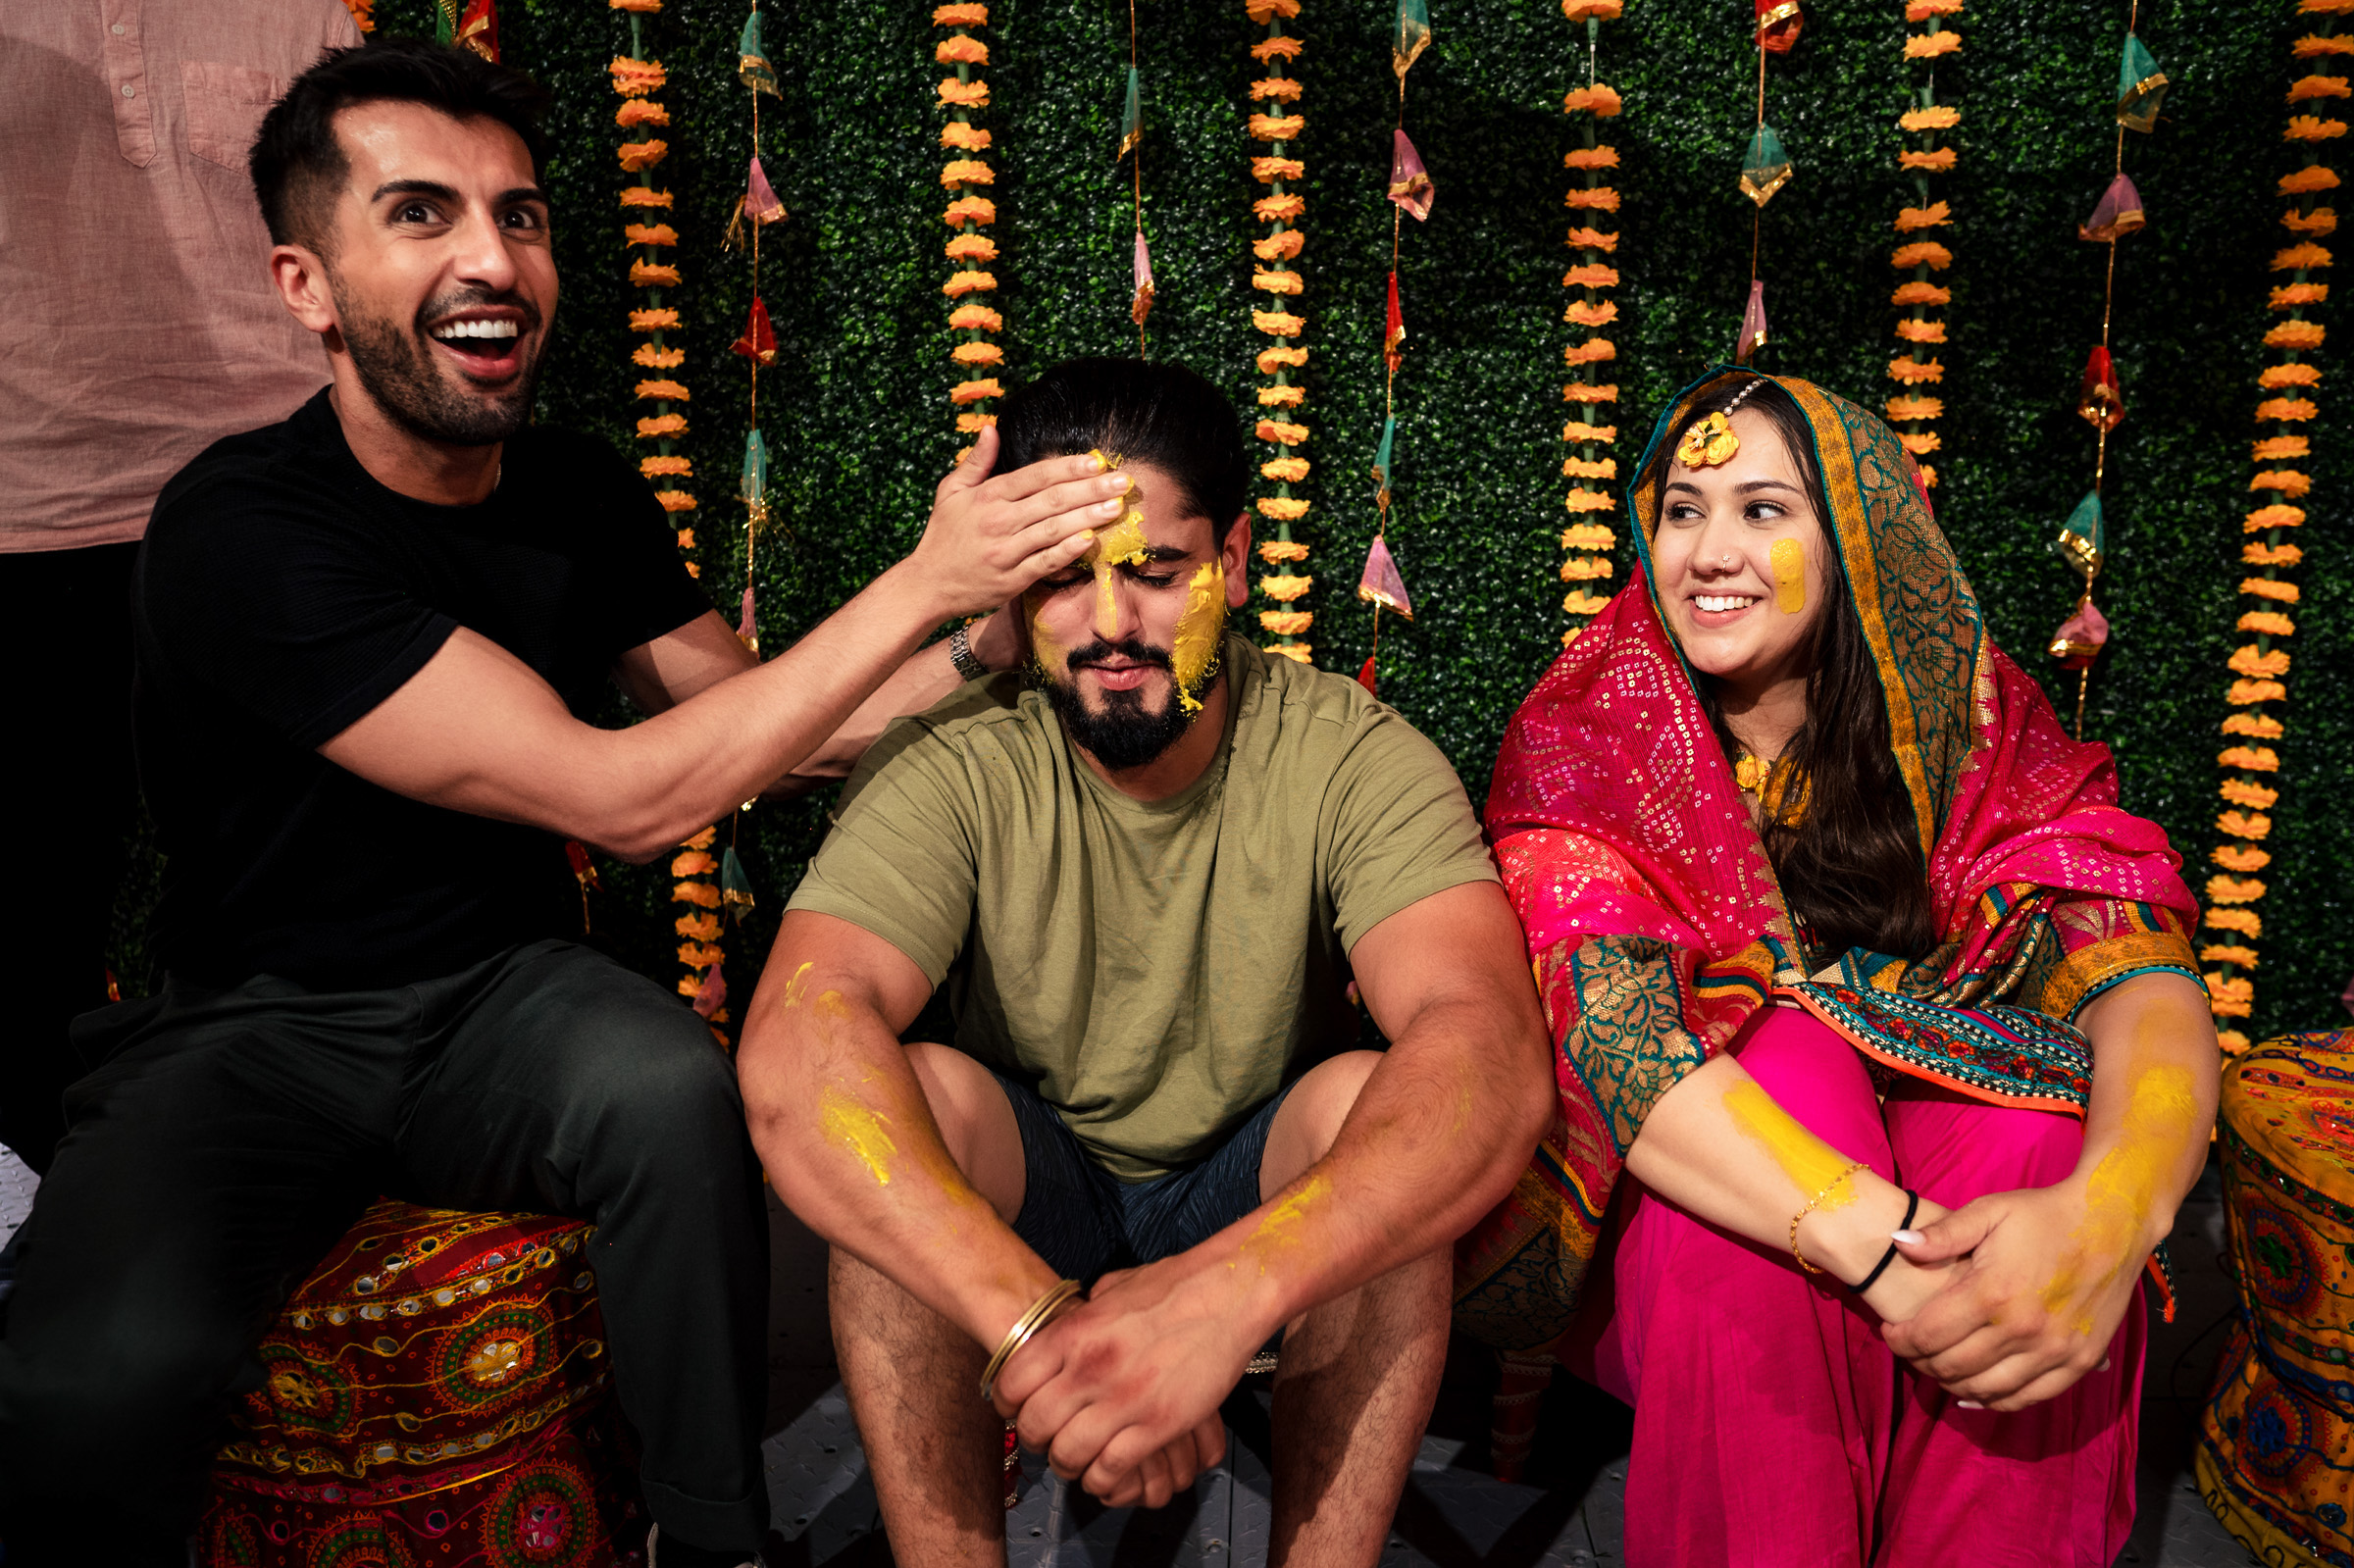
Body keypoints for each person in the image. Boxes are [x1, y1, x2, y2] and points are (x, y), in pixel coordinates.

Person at [0, 39, 1118, 1568]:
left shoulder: (578, 488)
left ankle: (709, 1537)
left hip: (505, 1002)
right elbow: (627, 796)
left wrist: (998, 646)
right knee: (84, 1380)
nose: (492, 258)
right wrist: (923, 576)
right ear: (303, 285)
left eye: (518, 216)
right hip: (259, 1024)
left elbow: (762, 726)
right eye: (420, 214)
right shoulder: (238, 529)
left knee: (667, 1087)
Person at [739, 358, 1553, 1567]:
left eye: (1156, 573)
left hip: (1249, 1191)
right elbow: (797, 1045)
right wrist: (1038, 1332)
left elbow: (1486, 1052)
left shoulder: (1350, 751)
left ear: (1231, 564)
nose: (1111, 625)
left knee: (1373, 1112)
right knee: (898, 1104)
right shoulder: (953, 754)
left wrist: (1223, 1294)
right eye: (1065, 579)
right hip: (1033, 1192)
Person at [1453, 370, 2219, 1567]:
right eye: (1682, 508)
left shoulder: (1966, 716)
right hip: (1676, 1223)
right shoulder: (1595, 732)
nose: (1710, 550)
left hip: (1920, 1183)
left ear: (1859, 536)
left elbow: (2135, 964)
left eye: (1764, 510)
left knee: (2038, 1153)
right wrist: (1904, 1259)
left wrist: (2112, 1215)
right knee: (1792, 1060)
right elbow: (1620, 1043)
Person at [0, 0, 360, 1176]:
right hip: (30, 519)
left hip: (281, 507)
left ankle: (311, 1213)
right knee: (30, 918)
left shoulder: (298, 5)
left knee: (318, 898)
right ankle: (63, 1226)